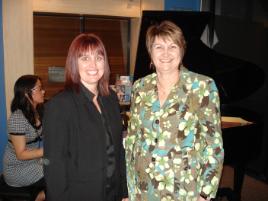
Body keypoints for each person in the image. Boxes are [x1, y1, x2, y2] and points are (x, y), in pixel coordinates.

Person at [124, 20, 224, 201]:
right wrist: (130, 190)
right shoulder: (140, 87)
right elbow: (133, 141)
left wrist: (205, 194)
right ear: (150, 51)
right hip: (144, 189)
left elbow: (214, 146)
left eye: (172, 46)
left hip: (184, 190)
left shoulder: (202, 87)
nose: (166, 53)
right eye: (158, 47)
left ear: (181, 50)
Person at [43, 33, 128, 201]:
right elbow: (54, 168)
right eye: (84, 58)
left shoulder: (110, 98)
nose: (93, 65)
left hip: (113, 193)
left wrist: (124, 192)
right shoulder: (60, 106)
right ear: (74, 63)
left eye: (99, 57)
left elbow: (118, 150)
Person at [3, 75, 46, 201]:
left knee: (63, 166)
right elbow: (21, 154)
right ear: (27, 94)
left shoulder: (37, 112)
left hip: (33, 162)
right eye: (39, 88)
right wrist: (50, 150)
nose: (43, 91)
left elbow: (43, 134)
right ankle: (38, 197)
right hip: (17, 168)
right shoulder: (18, 118)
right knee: (59, 174)